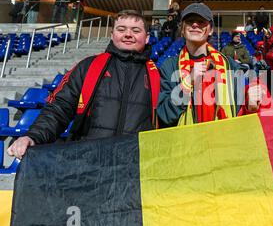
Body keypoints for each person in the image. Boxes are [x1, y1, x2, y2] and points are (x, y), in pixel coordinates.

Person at [7, 10, 160, 160]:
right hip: (89, 164)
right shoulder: (87, 66)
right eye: (121, 29)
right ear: (112, 34)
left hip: (135, 166)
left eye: (136, 30)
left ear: (146, 38)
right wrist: (34, 136)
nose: (128, 34)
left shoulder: (158, 75)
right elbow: (59, 108)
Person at [157, 3, 256, 127]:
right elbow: (164, 114)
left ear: (210, 30)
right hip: (186, 143)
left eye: (201, 21)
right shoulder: (169, 66)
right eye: (189, 21)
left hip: (223, 141)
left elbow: (240, 111)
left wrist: (250, 103)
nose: (195, 24)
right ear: (182, 29)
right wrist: (187, 84)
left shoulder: (230, 66)